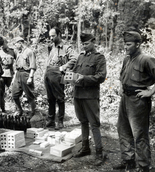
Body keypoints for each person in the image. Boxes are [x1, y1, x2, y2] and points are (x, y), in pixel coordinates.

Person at [112, 30, 155, 172]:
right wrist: (121, 86)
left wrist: (150, 91)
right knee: (123, 130)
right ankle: (129, 161)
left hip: (138, 101)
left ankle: (144, 166)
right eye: (124, 44)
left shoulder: (145, 59)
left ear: (137, 44)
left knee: (139, 134)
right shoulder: (126, 59)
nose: (125, 47)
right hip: (125, 99)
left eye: (128, 44)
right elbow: (121, 75)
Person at [72, 33, 107, 166]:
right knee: (82, 121)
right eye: (83, 44)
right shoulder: (80, 57)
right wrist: (69, 76)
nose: (85, 46)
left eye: (87, 43)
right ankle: (85, 147)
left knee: (94, 124)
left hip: (91, 95)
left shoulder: (99, 58)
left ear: (93, 42)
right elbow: (74, 72)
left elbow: (101, 77)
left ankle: (99, 152)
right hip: (78, 94)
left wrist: (85, 78)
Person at [44, 27, 77, 130]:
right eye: (50, 36)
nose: (51, 38)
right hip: (48, 73)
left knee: (60, 98)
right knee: (50, 99)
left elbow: (75, 58)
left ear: (59, 35)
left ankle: (60, 121)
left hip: (58, 74)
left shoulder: (66, 47)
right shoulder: (51, 47)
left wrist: (64, 67)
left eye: (53, 36)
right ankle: (50, 121)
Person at [12, 36, 36, 118]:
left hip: (26, 74)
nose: (15, 46)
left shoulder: (29, 52)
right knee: (14, 94)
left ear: (20, 43)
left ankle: (33, 113)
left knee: (30, 95)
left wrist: (30, 77)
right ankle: (20, 110)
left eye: (16, 44)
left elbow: (33, 66)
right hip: (18, 74)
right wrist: (14, 78)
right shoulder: (18, 52)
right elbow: (16, 66)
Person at [0, 39, 16, 113]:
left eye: (4, 44)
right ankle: (3, 109)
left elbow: (18, 59)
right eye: (1, 44)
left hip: (10, 74)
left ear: (7, 43)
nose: (2, 46)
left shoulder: (12, 51)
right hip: (2, 74)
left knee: (14, 91)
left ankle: (16, 108)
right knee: (1, 92)